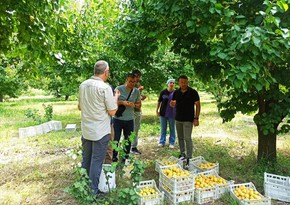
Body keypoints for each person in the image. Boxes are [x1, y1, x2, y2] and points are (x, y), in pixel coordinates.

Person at [78, 60, 118, 198]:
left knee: (86, 158)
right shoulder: (105, 87)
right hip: (100, 130)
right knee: (96, 161)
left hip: (86, 128)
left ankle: (83, 186)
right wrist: (116, 98)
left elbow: (79, 106)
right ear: (106, 72)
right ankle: (93, 191)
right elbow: (112, 111)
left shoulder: (83, 85)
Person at [170, 75, 201, 162]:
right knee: (180, 137)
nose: (183, 84)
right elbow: (173, 103)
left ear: (187, 82)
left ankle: (189, 156)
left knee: (187, 137)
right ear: (179, 83)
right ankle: (182, 154)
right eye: (181, 82)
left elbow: (198, 105)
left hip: (188, 119)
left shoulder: (193, 92)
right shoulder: (176, 92)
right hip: (178, 118)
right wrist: (172, 104)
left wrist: (196, 118)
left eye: (185, 82)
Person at [113, 72, 141, 162]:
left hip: (130, 119)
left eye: (134, 82)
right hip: (118, 119)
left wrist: (134, 105)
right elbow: (112, 102)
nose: (132, 83)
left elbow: (139, 105)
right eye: (130, 81)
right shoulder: (118, 89)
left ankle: (125, 157)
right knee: (115, 139)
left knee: (128, 139)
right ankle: (114, 157)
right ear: (126, 80)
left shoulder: (136, 91)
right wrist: (122, 102)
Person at [156, 79, 176, 148]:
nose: (172, 84)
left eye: (173, 83)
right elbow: (159, 102)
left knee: (172, 128)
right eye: (170, 82)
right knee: (163, 128)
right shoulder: (163, 92)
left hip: (172, 113)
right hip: (163, 113)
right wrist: (157, 111)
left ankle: (172, 142)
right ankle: (162, 142)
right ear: (167, 84)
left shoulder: (176, 92)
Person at [130, 69, 146, 155]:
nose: (138, 78)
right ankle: (131, 147)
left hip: (137, 110)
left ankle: (133, 146)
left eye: (139, 76)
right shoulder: (130, 84)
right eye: (137, 76)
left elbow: (137, 98)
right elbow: (129, 97)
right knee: (131, 129)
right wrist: (139, 90)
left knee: (136, 129)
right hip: (131, 111)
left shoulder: (138, 84)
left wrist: (141, 97)